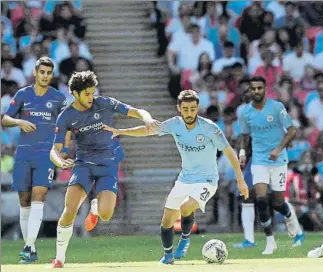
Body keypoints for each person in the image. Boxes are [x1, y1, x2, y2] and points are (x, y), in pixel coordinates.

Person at [103, 89, 249, 264]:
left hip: (207, 180)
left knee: (187, 206)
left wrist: (241, 180)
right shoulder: (174, 124)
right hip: (184, 179)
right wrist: (121, 131)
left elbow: (230, 153)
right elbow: (148, 130)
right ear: (179, 108)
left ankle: (185, 240)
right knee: (167, 219)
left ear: (197, 108)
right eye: (186, 109)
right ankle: (168, 255)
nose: (189, 113)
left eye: (193, 109)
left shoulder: (210, 128)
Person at [49, 71, 160, 268]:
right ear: (75, 93)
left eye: (92, 93)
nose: (91, 97)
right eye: (87, 94)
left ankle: (95, 207)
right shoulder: (66, 116)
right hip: (83, 165)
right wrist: (59, 162)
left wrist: (147, 119)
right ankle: (59, 259)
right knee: (70, 209)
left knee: (106, 214)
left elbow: (135, 111)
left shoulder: (105, 103)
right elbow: (55, 151)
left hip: (108, 165)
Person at [1, 57, 68, 264]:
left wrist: (62, 151)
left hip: (45, 155)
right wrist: (19, 121)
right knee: (24, 201)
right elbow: (4, 118)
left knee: (39, 196)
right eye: (42, 72)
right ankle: (30, 247)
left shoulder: (58, 98)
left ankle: (29, 248)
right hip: (23, 154)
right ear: (35, 72)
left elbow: (65, 126)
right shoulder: (23, 94)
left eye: (49, 73)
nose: (45, 76)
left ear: (52, 74)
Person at [238, 76, 305, 255]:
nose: (257, 91)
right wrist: (243, 153)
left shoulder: (276, 107)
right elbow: (244, 136)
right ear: (250, 91)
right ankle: (270, 240)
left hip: (279, 160)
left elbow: (292, 131)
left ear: (265, 90)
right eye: (253, 89)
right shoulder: (245, 113)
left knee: (277, 202)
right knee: (260, 199)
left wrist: (278, 149)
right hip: (259, 161)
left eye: (260, 88)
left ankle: (290, 217)